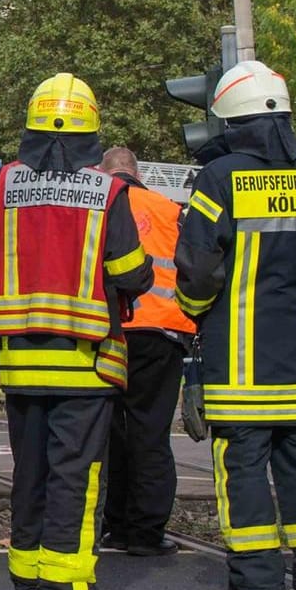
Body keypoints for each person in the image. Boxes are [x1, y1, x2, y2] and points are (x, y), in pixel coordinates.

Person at [0, 74, 152, 590]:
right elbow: (129, 273)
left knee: (33, 473)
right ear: (92, 130)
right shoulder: (107, 192)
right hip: (85, 365)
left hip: (20, 364)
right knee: (77, 476)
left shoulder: (0, 187)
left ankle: (27, 581)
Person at [175, 61, 296, 590]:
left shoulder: (220, 178)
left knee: (245, 476)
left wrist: (194, 316)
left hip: (236, 369)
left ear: (231, 122)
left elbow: (198, 268)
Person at [96, 146, 193, 558]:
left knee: (110, 433)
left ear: (106, 174)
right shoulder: (169, 209)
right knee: (150, 434)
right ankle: (146, 531)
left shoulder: (97, 208)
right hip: (163, 335)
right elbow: (195, 269)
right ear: (137, 173)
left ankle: (114, 525)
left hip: (110, 332)